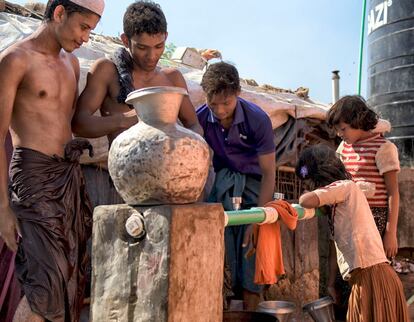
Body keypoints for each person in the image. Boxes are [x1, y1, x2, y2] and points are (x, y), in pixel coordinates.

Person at [0, 0, 104, 321]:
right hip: (32, 181)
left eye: (91, 30)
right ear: (59, 13)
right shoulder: (15, 60)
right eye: (83, 27)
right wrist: (3, 209)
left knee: (66, 283)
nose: (86, 38)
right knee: (43, 286)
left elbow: (66, 123)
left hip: (67, 181)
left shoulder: (71, 64)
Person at [296, 144, 408, 322]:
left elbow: (306, 201)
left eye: (310, 183)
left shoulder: (345, 187)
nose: (309, 187)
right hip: (367, 277)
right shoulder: (341, 201)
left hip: (372, 277)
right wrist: (331, 283)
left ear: (320, 177)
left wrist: (306, 192)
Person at [196, 62, 276, 310]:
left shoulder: (258, 120)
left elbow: (269, 172)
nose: (220, 110)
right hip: (223, 188)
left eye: (226, 103)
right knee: (221, 256)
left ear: (238, 93)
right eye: (213, 103)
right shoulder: (200, 119)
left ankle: (251, 311)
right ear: (205, 95)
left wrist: (256, 219)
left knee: (251, 255)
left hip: (255, 190)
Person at [72, 0, 203, 145]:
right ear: (125, 40)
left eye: (159, 46)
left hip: (169, 165)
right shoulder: (107, 71)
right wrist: (127, 119)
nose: (152, 56)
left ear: (166, 36)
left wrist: (183, 144)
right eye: (142, 48)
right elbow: (79, 125)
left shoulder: (173, 78)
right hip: (124, 165)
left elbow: (194, 125)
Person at [326, 95, 401, 315]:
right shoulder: (344, 148)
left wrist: (391, 232)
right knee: (351, 276)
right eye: (338, 130)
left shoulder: (383, 148)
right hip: (348, 220)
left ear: (359, 122)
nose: (341, 134)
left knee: (372, 279)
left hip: (374, 221)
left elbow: (393, 193)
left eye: (344, 128)